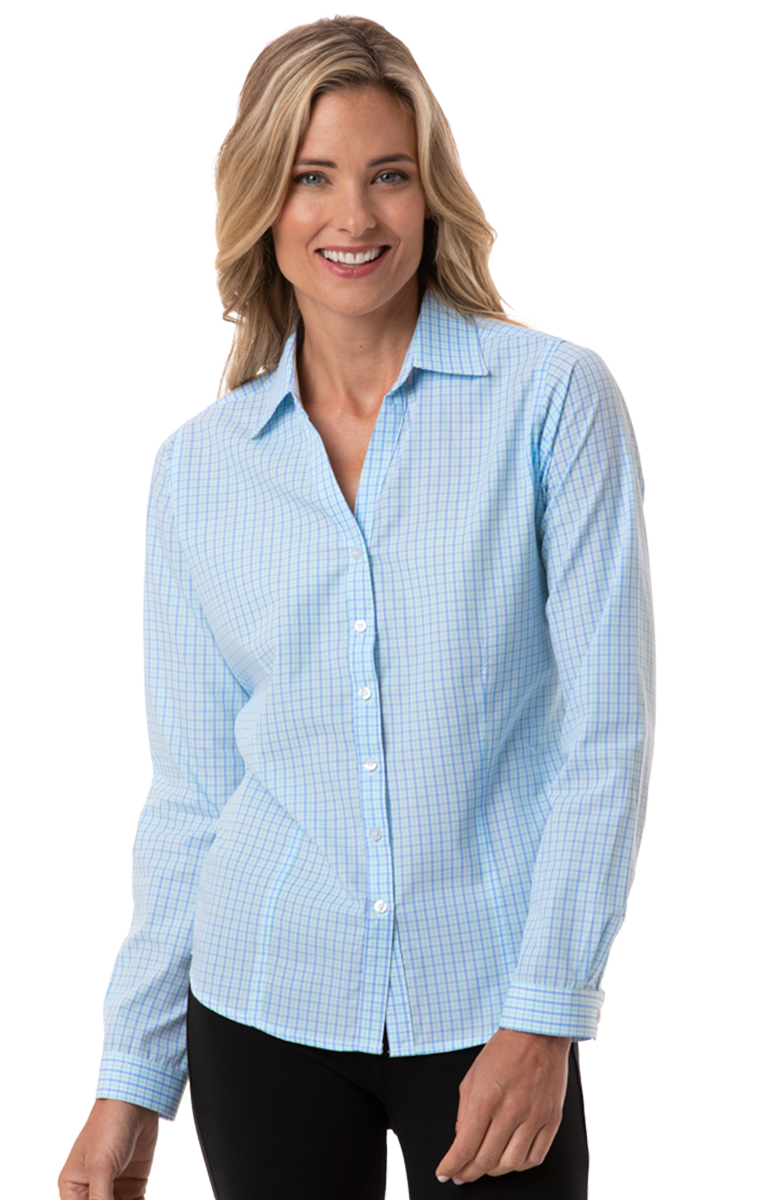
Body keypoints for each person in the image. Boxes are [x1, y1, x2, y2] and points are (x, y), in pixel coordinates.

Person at [58, 16, 655, 1200]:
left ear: (430, 196)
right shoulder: (200, 470)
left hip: (488, 1005)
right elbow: (192, 799)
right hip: (260, 1005)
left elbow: (607, 739)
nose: (354, 217)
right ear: (261, 203)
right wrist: (132, 1077)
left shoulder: (550, 404)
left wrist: (546, 1012)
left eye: (388, 175)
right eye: (311, 177)